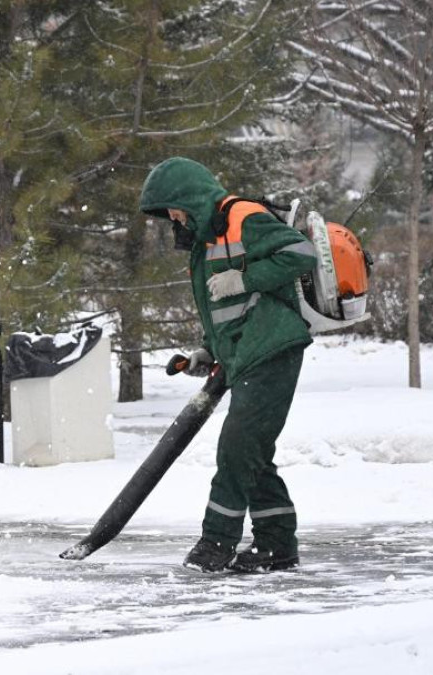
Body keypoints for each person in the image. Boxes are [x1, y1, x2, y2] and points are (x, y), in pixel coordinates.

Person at [139, 157, 317, 573]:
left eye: (174, 209)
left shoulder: (242, 217)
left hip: (273, 348)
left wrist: (247, 277)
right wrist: (206, 351)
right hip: (246, 353)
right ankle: (276, 545)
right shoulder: (206, 244)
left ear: (189, 198)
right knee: (251, 453)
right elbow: (223, 309)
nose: (173, 219)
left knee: (236, 449)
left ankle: (216, 543)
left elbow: (301, 252)